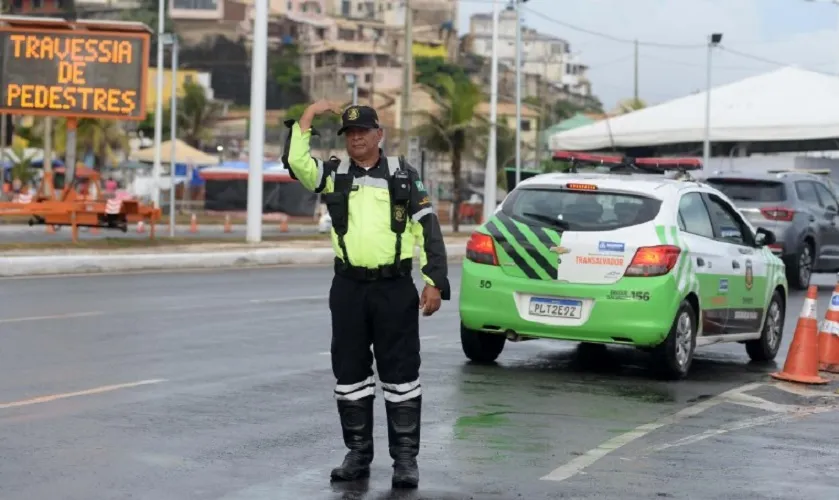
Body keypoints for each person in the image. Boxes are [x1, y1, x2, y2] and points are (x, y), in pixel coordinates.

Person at [283, 100, 450, 489]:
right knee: (350, 373)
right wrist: (309, 115)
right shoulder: (333, 174)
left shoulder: (403, 176)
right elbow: (298, 164)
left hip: (394, 290)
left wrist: (433, 281)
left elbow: (429, 230)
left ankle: (405, 461)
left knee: (401, 374)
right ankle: (357, 454)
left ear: (379, 134)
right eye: (350, 133)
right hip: (348, 289)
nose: (356, 138)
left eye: (363, 131)